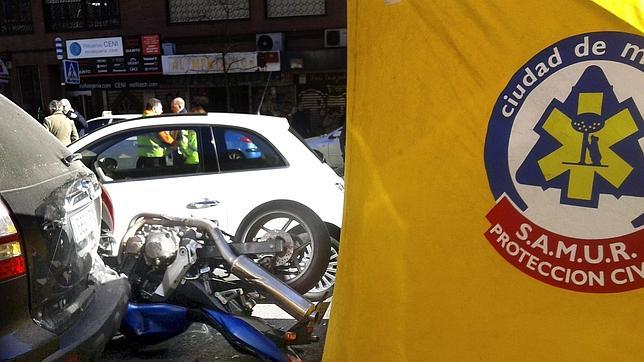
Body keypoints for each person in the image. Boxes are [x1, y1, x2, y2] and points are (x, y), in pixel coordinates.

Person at [136, 98, 176, 168]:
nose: (162, 111)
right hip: (155, 156)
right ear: (154, 108)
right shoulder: (154, 120)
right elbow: (164, 137)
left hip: (143, 156)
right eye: (160, 108)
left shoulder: (141, 119)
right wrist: (174, 143)